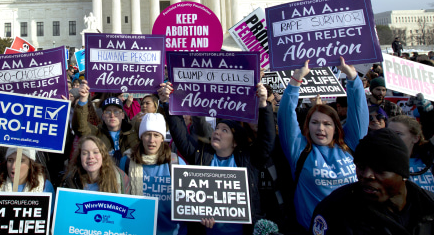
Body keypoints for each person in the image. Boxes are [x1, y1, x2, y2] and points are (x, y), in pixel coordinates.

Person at [161, 82, 275, 234]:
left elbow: (267, 140)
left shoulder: (248, 160)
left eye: (224, 130)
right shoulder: (201, 156)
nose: (217, 132)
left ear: (235, 141)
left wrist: (263, 104)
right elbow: (180, 134)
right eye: (216, 129)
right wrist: (169, 102)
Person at [277, 57, 368, 230]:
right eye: (314, 123)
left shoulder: (350, 145)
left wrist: (352, 77)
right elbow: (285, 116)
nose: (320, 128)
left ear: (336, 127)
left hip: (351, 229)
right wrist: (296, 80)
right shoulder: (299, 150)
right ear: (307, 126)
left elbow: (359, 113)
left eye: (327, 124)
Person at [310, 128, 434, 234]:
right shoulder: (334, 210)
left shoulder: (428, 206)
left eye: (379, 170)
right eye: (361, 167)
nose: (367, 175)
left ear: (402, 174)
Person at [120, 113, 186, 235]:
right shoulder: (127, 161)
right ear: (141, 137)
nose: (151, 140)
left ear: (162, 138)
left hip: (171, 231)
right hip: (136, 229)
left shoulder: (176, 163)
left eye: (156, 135)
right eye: (147, 135)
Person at [72, 81, 139, 165]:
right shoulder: (97, 133)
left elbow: (156, 128)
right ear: (103, 116)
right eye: (108, 112)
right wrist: (83, 99)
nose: (112, 115)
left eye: (116, 111)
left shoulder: (134, 129)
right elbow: (80, 126)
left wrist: (161, 101)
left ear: (122, 115)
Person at [63, 135, 130, 193]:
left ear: (103, 155)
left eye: (95, 152)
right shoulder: (71, 180)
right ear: (79, 157)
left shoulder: (120, 179)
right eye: (85, 153)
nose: (90, 157)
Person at [388, 115, 434, 192]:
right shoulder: (380, 163)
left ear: (415, 138)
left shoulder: (428, 161)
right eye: (389, 133)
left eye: (398, 134)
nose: (392, 137)